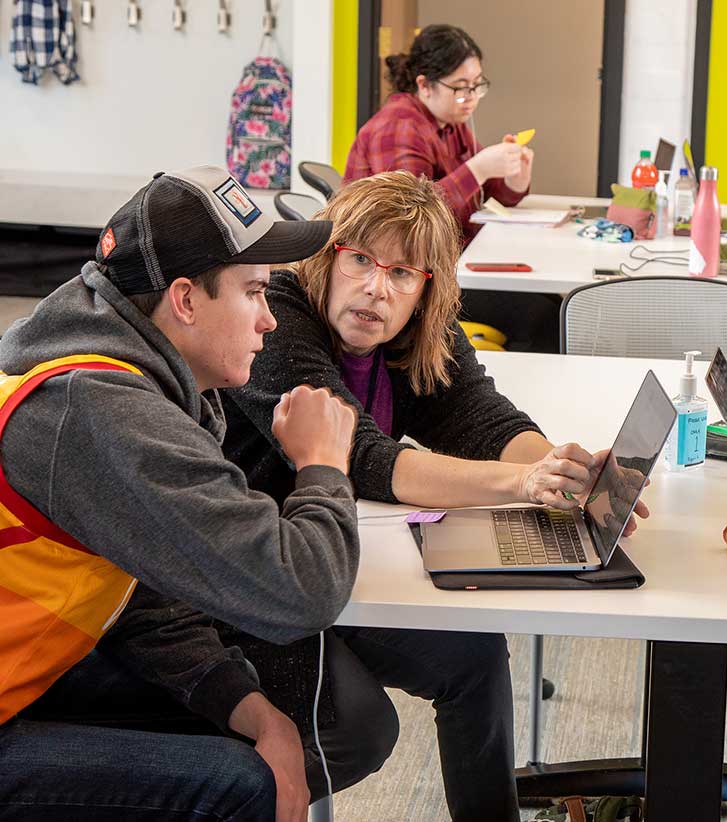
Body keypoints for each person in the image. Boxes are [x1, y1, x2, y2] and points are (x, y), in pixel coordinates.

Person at [215, 170, 647, 822]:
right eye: (360, 260)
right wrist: (520, 483)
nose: (375, 288)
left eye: (402, 274)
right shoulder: (278, 315)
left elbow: (486, 420)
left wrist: (563, 470)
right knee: (364, 722)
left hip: (337, 563)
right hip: (253, 583)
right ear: (326, 256)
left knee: (472, 656)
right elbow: (362, 460)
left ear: (426, 289)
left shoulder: (419, 329)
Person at [0, 165, 362, 821]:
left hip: (29, 669)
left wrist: (254, 713)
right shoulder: (100, 410)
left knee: (311, 718)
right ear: (187, 300)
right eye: (255, 293)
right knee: (237, 785)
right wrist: (323, 466)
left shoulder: (117, 372)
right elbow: (301, 592)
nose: (270, 323)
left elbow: (141, 597)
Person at [345, 23, 560, 353]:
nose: (471, 98)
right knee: (546, 317)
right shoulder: (400, 126)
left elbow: (483, 194)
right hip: (410, 278)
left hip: (451, 264)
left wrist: (514, 180)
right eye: (461, 88)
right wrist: (479, 167)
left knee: (549, 304)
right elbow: (409, 220)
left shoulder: (449, 125)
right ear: (425, 85)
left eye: (476, 86)